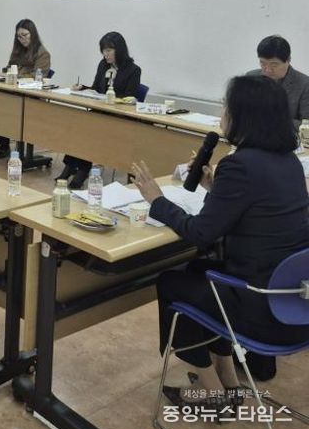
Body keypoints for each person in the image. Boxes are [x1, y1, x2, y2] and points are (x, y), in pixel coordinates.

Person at [131, 75, 309, 408]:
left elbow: (200, 232)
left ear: (244, 116)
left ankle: (212, 393)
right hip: (293, 306)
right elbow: (257, 214)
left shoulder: (239, 165)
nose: (222, 113)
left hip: (261, 311)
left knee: (172, 283)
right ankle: (228, 378)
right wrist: (216, 188)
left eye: (226, 106)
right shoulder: (290, 163)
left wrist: (157, 200)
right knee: (198, 270)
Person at [56, 32, 141, 189]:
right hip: (100, 112)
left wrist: (111, 98)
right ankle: (71, 166)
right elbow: (96, 89)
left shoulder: (133, 70)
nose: (105, 54)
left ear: (119, 50)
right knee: (79, 124)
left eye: (109, 50)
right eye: (103, 50)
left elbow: (129, 98)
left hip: (117, 117)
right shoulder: (103, 65)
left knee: (89, 129)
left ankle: (81, 171)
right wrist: (82, 88)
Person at [0, 18, 51, 159]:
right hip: (13, 89)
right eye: (19, 36)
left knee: (3, 104)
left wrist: (14, 75)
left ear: (33, 34)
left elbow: (36, 77)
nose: (22, 39)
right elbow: (9, 67)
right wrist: (5, 73)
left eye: (25, 35)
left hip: (29, 94)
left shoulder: (43, 54)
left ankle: (4, 145)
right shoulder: (18, 50)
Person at [247, 34, 309, 128]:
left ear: (288, 60)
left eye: (274, 64)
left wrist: (273, 119)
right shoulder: (250, 78)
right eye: (263, 63)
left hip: (286, 136)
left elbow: (306, 125)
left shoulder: (305, 85)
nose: (268, 70)